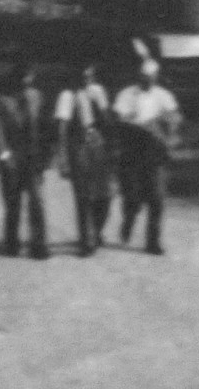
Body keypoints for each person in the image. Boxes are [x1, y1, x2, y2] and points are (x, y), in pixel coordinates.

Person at [113, 57, 181, 255]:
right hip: (133, 150)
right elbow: (120, 119)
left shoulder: (163, 95)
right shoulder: (127, 94)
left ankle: (153, 242)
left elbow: (175, 115)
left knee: (157, 198)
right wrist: (143, 125)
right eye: (143, 77)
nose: (147, 81)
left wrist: (170, 124)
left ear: (156, 77)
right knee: (133, 197)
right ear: (138, 76)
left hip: (155, 152)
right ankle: (129, 219)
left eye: (150, 77)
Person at [0, 64, 52, 259]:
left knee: (37, 202)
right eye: (23, 81)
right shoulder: (2, 102)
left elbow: (45, 128)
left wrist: (46, 155)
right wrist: (5, 157)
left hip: (33, 159)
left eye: (30, 81)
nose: (27, 86)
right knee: (13, 203)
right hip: (12, 161)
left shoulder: (38, 98)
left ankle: (39, 245)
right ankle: (11, 243)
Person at [54, 64, 114, 255]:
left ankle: (95, 231)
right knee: (84, 195)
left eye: (90, 77)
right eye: (83, 77)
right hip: (78, 146)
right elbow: (62, 128)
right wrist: (63, 157)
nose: (87, 80)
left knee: (105, 194)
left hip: (98, 145)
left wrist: (111, 145)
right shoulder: (67, 96)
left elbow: (107, 119)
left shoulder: (97, 91)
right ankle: (86, 240)